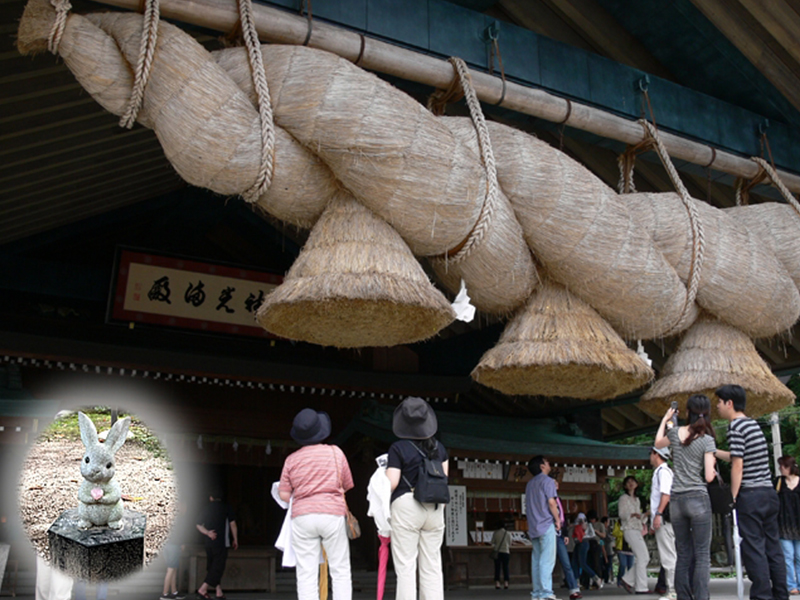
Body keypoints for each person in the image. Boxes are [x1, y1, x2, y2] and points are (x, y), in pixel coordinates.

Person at [716, 384, 788, 600]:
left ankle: (762, 596)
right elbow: (738, 456)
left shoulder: (735, 427)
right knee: (773, 548)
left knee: (754, 548)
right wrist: (714, 451)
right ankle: (780, 594)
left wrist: (733, 497)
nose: (717, 407)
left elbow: (738, 465)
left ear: (729, 403)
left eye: (719, 402)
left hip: (751, 495)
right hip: (768, 493)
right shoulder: (752, 425)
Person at [279, 408, 353, 600]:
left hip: (302, 517)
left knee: (306, 573)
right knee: (340, 570)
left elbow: (284, 495)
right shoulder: (336, 453)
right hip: (332, 514)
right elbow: (346, 485)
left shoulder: (291, 460)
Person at [386, 397, 448, 600]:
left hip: (407, 504)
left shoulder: (398, 448)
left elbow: (392, 482)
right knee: (432, 565)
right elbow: (444, 478)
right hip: (435, 508)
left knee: (406, 566)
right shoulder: (440, 448)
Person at [654, 395, 715, 600]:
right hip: (698, 497)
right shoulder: (707, 440)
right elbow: (708, 476)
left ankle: (683, 597)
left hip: (677, 500)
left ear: (687, 412)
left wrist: (666, 418)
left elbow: (657, 442)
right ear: (707, 413)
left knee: (683, 554)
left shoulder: (674, 433)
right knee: (702, 555)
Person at [525, 456, 559, 600]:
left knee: (537, 559)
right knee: (547, 559)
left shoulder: (530, 484)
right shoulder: (548, 481)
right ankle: (546, 592)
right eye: (547, 462)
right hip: (546, 524)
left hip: (533, 526)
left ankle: (537, 592)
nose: (549, 464)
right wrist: (558, 520)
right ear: (542, 466)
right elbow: (552, 503)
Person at [196, 488, 238, 599]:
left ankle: (218, 592)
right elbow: (233, 524)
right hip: (222, 543)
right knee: (218, 567)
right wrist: (235, 539)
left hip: (209, 543)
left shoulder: (206, 508)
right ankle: (202, 589)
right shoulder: (226, 507)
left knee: (212, 567)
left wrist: (207, 533)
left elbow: (198, 525)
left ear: (211, 498)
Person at [649, 445, 676, 600]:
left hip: (665, 519)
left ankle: (672, 590)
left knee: (668, 556)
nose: (650, 457)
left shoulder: (663, 472)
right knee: (669, 554)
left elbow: (666, 495)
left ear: (656, 454)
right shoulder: (662, 472)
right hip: (664, 519)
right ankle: (673, 588)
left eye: (651, 454)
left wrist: (658, 514)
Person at [617, 475, 649, 594]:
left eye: (633, 481)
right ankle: (641, 587)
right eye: (628, 482)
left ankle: (627, 579)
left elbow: (641, 520)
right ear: (625, 486)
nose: (631, 483)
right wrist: (632, 514)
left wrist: (645, 515)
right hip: (629, 529)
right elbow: (621, 515)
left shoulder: (637, 499)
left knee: (645, 557)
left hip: (637, 529)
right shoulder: (623, 498)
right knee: (642, 557)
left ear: (636, 484)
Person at [777, 455, 800, 595]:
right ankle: (791, 585)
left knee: (799, 556)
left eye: (783, 466)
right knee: (788, 556)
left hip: (798, 524)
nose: (781, 469)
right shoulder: (778, 482)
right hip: (784, 524)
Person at [554, 482, 581, 600]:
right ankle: (544, 590)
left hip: (559, 534)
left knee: (566, 563)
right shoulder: (546, 497)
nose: (556, 485)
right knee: (547, 564)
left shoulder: (558, 499)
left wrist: (565, 533)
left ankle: (574, 589)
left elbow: (562, 518)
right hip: (550, 532)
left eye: (556, 483)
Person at [161, 501, 189, 600]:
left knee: (173, 568)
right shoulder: (180, 519)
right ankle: (164, 594)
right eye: (184, 506)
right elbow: (180, 534)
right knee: (171, 569)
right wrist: (182, 543)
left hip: (167, 546)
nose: (185, 509)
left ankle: (174, 591)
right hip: (174, 545)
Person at [572, 513, 603, 590]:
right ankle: (576, 581)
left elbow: (592, 535)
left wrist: (584, 529)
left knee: (583, 563)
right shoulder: (576, 524)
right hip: (578, 543)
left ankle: (596, 578)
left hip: (584, 542)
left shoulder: (588, 525)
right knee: (574, 562)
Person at [491, 521, 512, 590]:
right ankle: (506, 583)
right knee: (505, 567)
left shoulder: (495, 533)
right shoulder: (508, 533)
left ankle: (497, 583)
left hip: (498, 552)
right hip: (506, 552)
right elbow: (510, 543)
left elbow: (492, 542)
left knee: (497, 568)